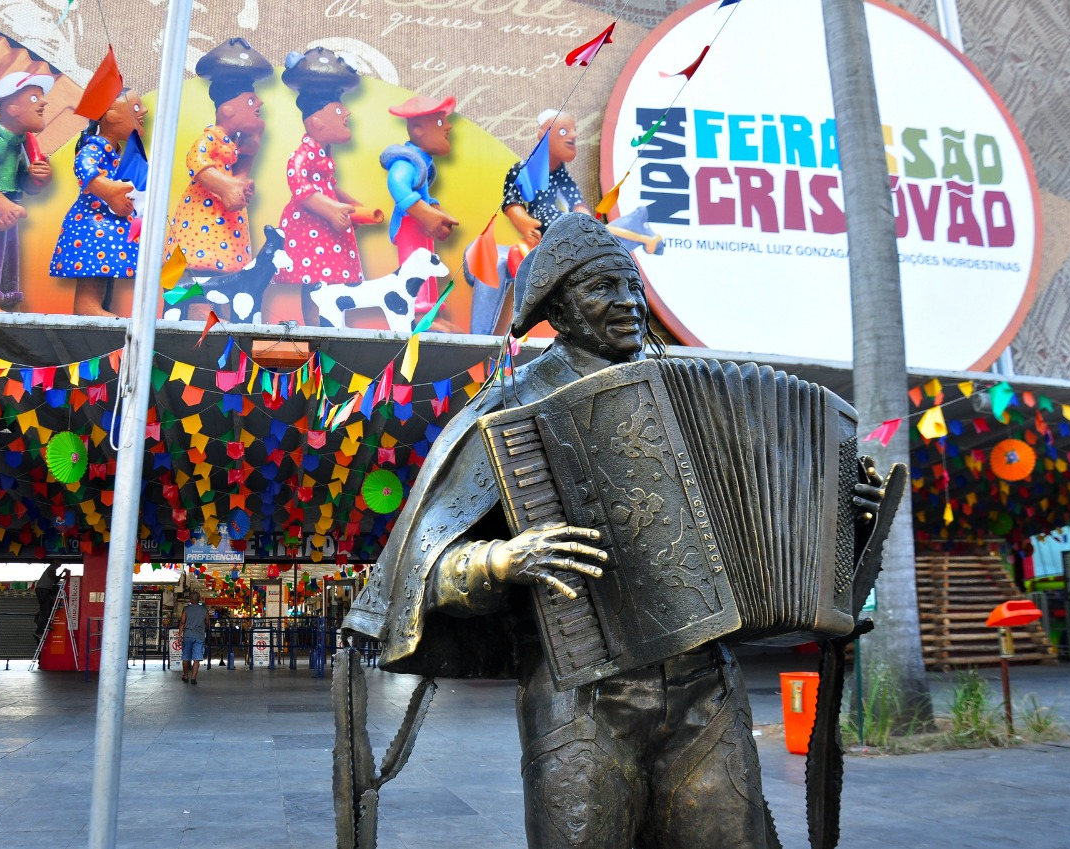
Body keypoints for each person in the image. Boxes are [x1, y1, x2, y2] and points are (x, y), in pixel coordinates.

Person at [344, 213, 884, 848]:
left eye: (633, 286)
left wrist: (843, 515)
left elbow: (776, 538)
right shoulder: (513, 408)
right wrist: (503, 560)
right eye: (603, 287)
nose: (629, 303)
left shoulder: (688, 392)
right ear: (558, 307)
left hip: (706, 688)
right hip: (583, 700)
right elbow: (421, 568)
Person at [164, 39, 273, 319]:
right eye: (250, 100)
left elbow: (239, 182)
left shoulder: (234, 144)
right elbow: (196, 162)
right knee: (198, 264)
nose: (259, 104)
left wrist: (250, 154)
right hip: (202, 215)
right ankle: (191, 312)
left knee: (218, 267)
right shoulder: (211, 136)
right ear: (227, 110)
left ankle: (206, 313)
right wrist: (226, 186)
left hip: (225, 219)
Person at [277, 47, 366, 324]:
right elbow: (300, 188)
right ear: (316, 121)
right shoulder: (302, 154)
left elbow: (328, 185)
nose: (346, 113)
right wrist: (331, 209)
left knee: (332, 282)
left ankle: (332, 326)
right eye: (338, 109)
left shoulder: (324, 155)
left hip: (329, 229)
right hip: (310, 229)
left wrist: (351, 205)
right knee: (315, 279)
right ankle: (316, 327)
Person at [50, 90, 148, 316]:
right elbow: (83, 167)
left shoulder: (117, 151)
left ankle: (100, 307)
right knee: (95, 264)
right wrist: (110, 191)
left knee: (105, 265)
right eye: (135, 108)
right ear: (111, 116)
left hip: (107, 221)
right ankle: (87, 306)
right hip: (92, 222)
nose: (144, 111)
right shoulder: (95, 147)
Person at [0, 71, 54, 311]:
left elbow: (23, 181)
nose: (43, 102)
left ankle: (7, 294)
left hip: (12, 203)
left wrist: (37, 178)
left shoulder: (19, 143)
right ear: (12, 107)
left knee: (9, 252)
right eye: (34, 99)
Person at [380, 95, 460, 315]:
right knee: (415, 267)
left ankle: (429, 311)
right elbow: (397, 184)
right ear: (417, 130)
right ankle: (416, 311)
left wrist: (435, 211)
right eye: (441, 122)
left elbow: (422, 194)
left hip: (419, 228)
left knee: (428, 264)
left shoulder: (423, 161)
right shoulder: (406, 160)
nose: (448, 127)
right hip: (408, 226)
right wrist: (424, 214)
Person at [501, 110, 591, 251]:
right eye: (563, 132)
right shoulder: (522, 170)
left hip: (558, 219)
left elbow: (576, 201)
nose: (574, 135)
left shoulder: (560, 175)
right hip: (538, 221)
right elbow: (512, 202)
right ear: (543, 136)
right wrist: (525, 223)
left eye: (574, 131)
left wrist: (588, 222)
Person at [178, 590, 210, 685]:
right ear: (199, 599)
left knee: (186, 657)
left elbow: (182, 622)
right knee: (197, 658)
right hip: (199, 636)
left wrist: (180, 634)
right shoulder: (204, 610)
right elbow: (207, 623)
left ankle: (185, 676)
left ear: (191, 599)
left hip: (188, 635)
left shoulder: (186, 609)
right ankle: (193, 678)